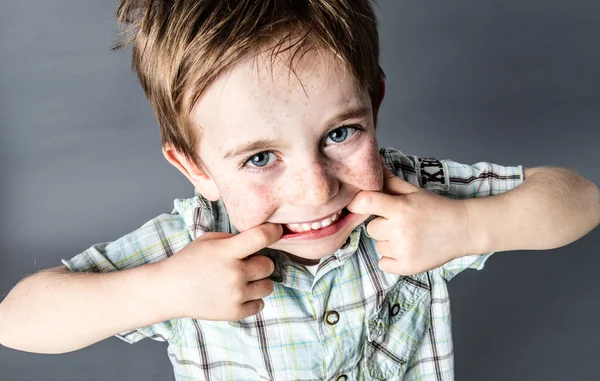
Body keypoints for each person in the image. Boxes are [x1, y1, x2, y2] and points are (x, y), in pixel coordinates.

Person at [0, 1, 598, 380]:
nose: (316, 188)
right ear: (196, 167)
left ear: (375, 105)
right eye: (261, 158)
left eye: (340, 133)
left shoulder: (414, 200)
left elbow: (580, 200)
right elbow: (17, 321)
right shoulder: (194, 247)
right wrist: (161, 291)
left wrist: (468, 228)